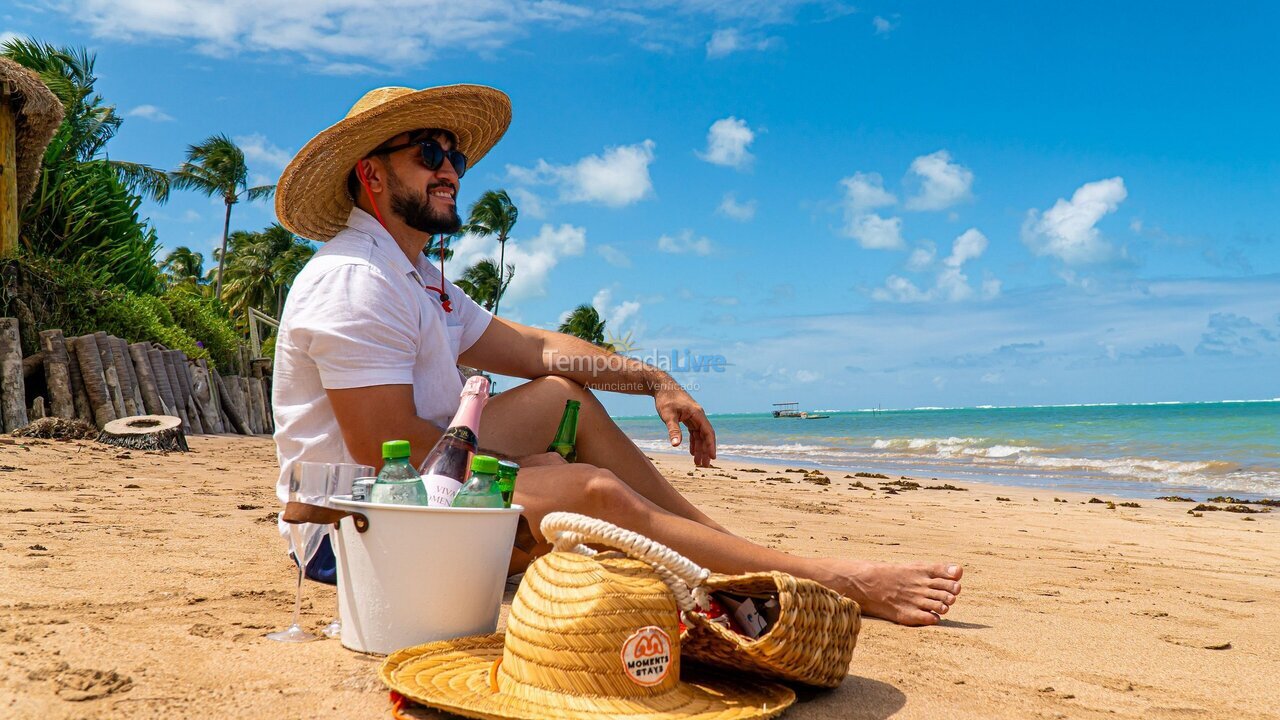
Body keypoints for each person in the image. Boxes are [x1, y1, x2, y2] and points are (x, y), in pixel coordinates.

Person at [272, 84, 962, 626]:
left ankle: (724, 550)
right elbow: (387, 461)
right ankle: (824, 577)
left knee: (559, 400)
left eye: (455, 155)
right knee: (592, 492)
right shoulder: (355, 281)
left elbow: (541, 350)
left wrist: (654, 379)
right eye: (428, 153)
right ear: (370, 173)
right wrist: (531, 475)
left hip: (419, 495)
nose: (451, 169)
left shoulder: (421, 279)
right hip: (357, 537)